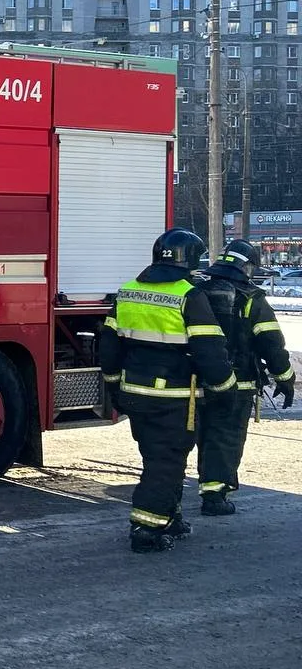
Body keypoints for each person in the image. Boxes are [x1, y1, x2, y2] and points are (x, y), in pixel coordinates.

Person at [99, 227, 236, 553]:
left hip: (134, 395)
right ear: (190, 260)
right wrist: (225, 388)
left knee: (156, 456)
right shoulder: (190, 296)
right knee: (166, 463)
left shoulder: (127, 292)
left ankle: (169, 518)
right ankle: (146, 528)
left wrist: (113, 384)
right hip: (173, 398)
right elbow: (210, 351)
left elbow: (108, 346)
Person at [194, 239, 295, 516]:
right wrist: (284, 379)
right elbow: (272, 345)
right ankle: (215, 496)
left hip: (196, 383)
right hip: (238, 383)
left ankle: (179, 494)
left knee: (203, 434)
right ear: (247, 267)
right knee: (226, 437)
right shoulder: (252, 299)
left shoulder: (197, 293)